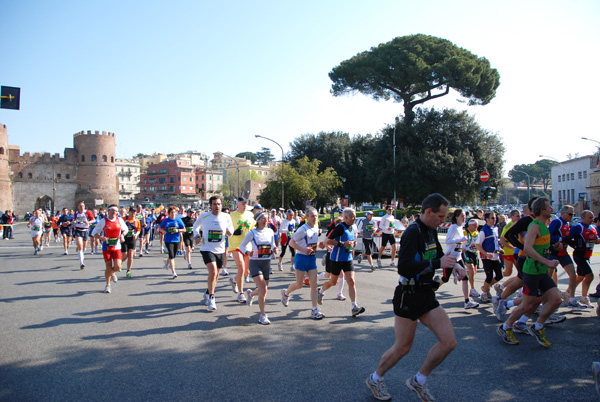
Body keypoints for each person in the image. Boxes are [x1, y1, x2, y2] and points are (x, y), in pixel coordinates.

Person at [365, 194, 464, 401]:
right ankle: (375, 378)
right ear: (428, 212)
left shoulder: (431, 231)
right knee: (403, 347)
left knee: (449, 342)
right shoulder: (412, 232)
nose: (443, 220)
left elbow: (438, 255)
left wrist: (455, 265)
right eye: (440, 216)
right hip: (408, 295)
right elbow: (405, 267)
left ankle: (419, 380)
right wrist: (439, 264)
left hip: (426, 293)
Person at [497, 197, 562, 347]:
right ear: (542, 210)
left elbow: (541, 246)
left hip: (542, 271)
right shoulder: (534, 226)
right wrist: (547, 261)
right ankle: (505, 327)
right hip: (532, 271)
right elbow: (527, 248)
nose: (552, 209)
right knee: (527, 306)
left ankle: (538, 327)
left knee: (556, 300)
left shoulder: (545, 225)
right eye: (549, 207)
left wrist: (553, 248)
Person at [319, 207, 366, 317]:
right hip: (337, 259)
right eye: (352, 216)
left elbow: (350, 241)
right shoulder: (340, 227)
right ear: (345, 217)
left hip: (348, 259)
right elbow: (328, 240)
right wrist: (342, 244)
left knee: (351, 281)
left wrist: (353, 244)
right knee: (333, 282)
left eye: (355, 216)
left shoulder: (352, 227)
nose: (354, 218)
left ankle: (354, 306)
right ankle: (320, 290)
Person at [280, 207, 326, 320]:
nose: (315, 218)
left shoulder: (316, 227)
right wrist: (304, 249)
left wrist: (319, 244)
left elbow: (312, 242)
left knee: (314, 284)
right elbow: (291, 243)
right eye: (312, 216)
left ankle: (314, 310)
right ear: (306, 217)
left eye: (316, 216)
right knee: (299, 285)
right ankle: (286, 292)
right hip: (301, 258)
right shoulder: (302, 229)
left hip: (311, 259)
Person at [193, 195, 234, 310]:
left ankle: (207, 291)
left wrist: (229, 232)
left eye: (219, 204)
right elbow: (195, 226)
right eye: (215, 204)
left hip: (220, 249)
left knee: (216, 275)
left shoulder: (226, 217)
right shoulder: (204, 216)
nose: (217, 206)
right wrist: (197, 235)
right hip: (207, 248)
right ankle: (212, 297)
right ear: (210, 205)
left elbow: (231, 230)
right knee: (213, 271)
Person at [240, 210, 278, 324]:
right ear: (258, 220)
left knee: (263, 289)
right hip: (255, 263)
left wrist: (274, 249)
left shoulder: (270, 231)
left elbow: (272, 244)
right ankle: (262, 315)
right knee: (263, 288)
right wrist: (247, 252)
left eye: (267, 218)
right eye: (263, 218)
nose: (266, 220)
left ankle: (251, 294)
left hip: (266, 263)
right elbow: (241, 245)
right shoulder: (252, 233)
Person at [446, 209, 479, 309]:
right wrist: (461, 240)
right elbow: (448, 241)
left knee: (465, 277)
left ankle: (467, 301)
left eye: (465, 215)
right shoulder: (453, 227)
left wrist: (463, 246)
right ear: (456, 217)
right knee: (444, 279)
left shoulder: (461, 228)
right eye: (462, 215)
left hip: (458, 256)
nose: (464, 217)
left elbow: (459, 243)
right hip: (450, 256)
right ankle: (427, 294)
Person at [92, 205, 128, 293]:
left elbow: (125, 229)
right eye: (111, 211)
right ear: (108, 211)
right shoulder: (103, 221)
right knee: (108, 267)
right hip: (106, 247)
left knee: (118, 266)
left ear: (117, 212)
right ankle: (108, 285)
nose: (113, 213)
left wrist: (122, 235)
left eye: (115, 211)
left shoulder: (119, 220)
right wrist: (101, 238)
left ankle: (112, 273)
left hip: (117, 246)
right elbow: (94, 233)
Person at [569, 210, 599, 308]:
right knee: (590, 276)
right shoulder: (578, 227)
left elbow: (596, 240)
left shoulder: (593, 228)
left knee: (581, 277)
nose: (592, 219)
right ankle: (584, 297)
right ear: (583, 218)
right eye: (590, 218)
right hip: (579, 255)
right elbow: (567, 237)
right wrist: (574, 245)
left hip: (587, 256)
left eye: (593, 218)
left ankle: (567, 292)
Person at [228, 197, 255, 302]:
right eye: (242, 204)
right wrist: (233, 233)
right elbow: (226, 230)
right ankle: (241, 293)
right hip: (235, 245)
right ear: (237, 204)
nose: (244, 206)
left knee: (246, 272)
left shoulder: (250, 215)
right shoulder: (231, 216)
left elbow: (253, 229)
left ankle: (234, 279)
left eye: (246, 204)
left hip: (247, 246)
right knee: (241, 268)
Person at [474, 212, 503, 303]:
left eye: (495, 218)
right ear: (487, 220)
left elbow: (495, 242)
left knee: (499, 275)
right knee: (489, 276)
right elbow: (477, 244)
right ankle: (484, 293)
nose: (495, 219)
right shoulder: (484, 230)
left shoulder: (495, 228)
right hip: (486, 258)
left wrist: (500, 249)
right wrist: (486, 253)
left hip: (495, 256)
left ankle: (486, 287)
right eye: (493, 218)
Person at [158, 206, 186, 279]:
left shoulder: (178, 220)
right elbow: (159, 227)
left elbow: (184, 229)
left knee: (173, 255)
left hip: (176, 239)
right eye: (171, 212)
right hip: (168, 240)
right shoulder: (166, 220)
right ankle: (174, 272)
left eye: (174, 212)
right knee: (171, 255)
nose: (173, 214)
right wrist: (162, 231)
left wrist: (178, 230)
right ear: (169, 213)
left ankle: (167, 262)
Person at [72, 201, 96, 269]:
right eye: (80, 206)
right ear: (78, 207)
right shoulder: (76, 213)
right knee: (80, 247)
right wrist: (73, 222)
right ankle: (81, 263)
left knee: (84, 248)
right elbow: (73, 221)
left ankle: (80, 249)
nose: (82, 207)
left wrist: (88, 222)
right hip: (78, 230)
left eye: (83, 206)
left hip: (85, 230)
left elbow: (93, 220)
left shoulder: (87, 212)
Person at [462, 219, 480, 298]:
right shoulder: (466, 232)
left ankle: (462, 274)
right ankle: (472, 289)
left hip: (474, 253)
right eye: (475, 225)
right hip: (467, 252)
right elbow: (463, 241)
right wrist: (463, 246)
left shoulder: (477, 232)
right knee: (471, 269)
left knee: (474, 272)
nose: (476, 227)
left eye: (477, 225)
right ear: (470, 225)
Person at [120, 208, 141, 278]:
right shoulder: (124, 219)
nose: (133, 213)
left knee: (131, 255)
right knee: (125, 256)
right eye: (132, 212)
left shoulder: (137, 220)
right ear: (129, 212)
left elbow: (138, 230)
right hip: (125, 239)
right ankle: (120, 262)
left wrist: (136, 234)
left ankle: (128, 271)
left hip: (132, 239)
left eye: (134, 212)